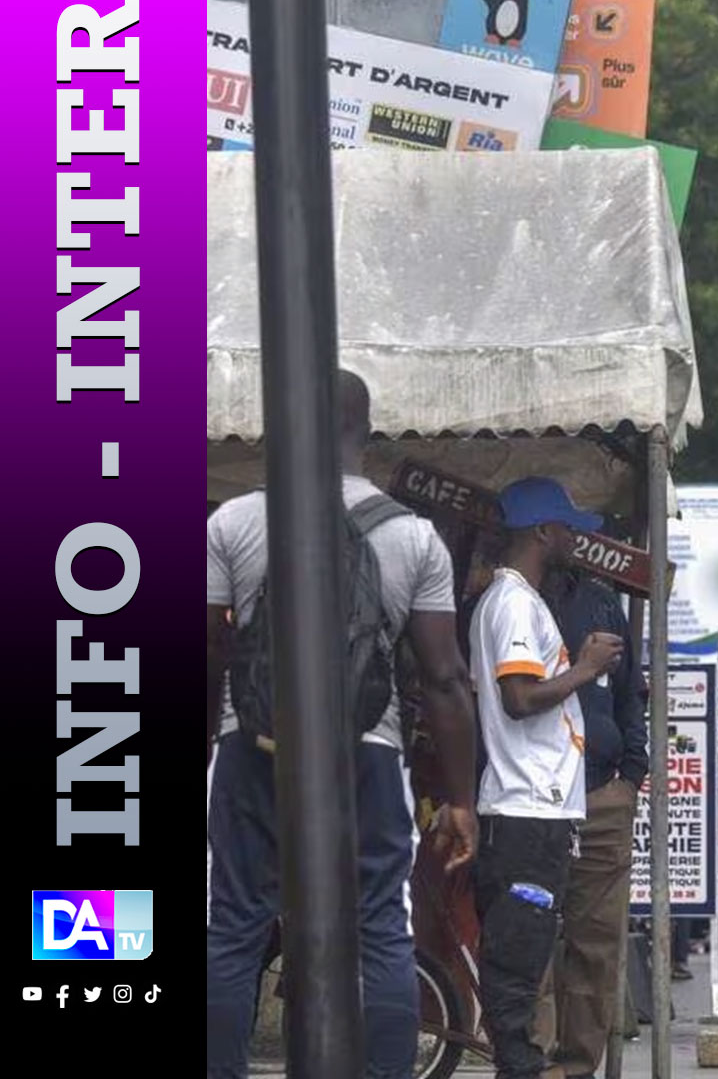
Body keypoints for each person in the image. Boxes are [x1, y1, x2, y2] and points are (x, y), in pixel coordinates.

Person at [206, 370, 480, 1079]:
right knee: (381, 931)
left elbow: (207, 655)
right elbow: (445, 678)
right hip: (366, 751)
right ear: (367, 433)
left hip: (252, 746)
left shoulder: (232, 523)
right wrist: (460, 800)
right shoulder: (415, 538)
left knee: (234, 929)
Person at [469, 476, 625, 1079]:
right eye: (565, 528)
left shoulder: (519, 599)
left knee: (526, 956)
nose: (573, 538)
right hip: (524, 814)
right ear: (541, 532)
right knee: (517, 965)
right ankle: (520, 1069)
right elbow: (519, 696)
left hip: (537, 812)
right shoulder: (512, 602)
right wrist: (585, 668)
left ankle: (522, 1065)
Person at [533, 565, 649, 1079]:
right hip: (533, 796)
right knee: (528, 935)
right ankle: (528, 1063)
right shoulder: (509, 600)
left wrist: (632, 772)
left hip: (602, 792)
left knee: (596, 941)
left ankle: (576, 1068)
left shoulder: (602, 602)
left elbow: (630, 694)